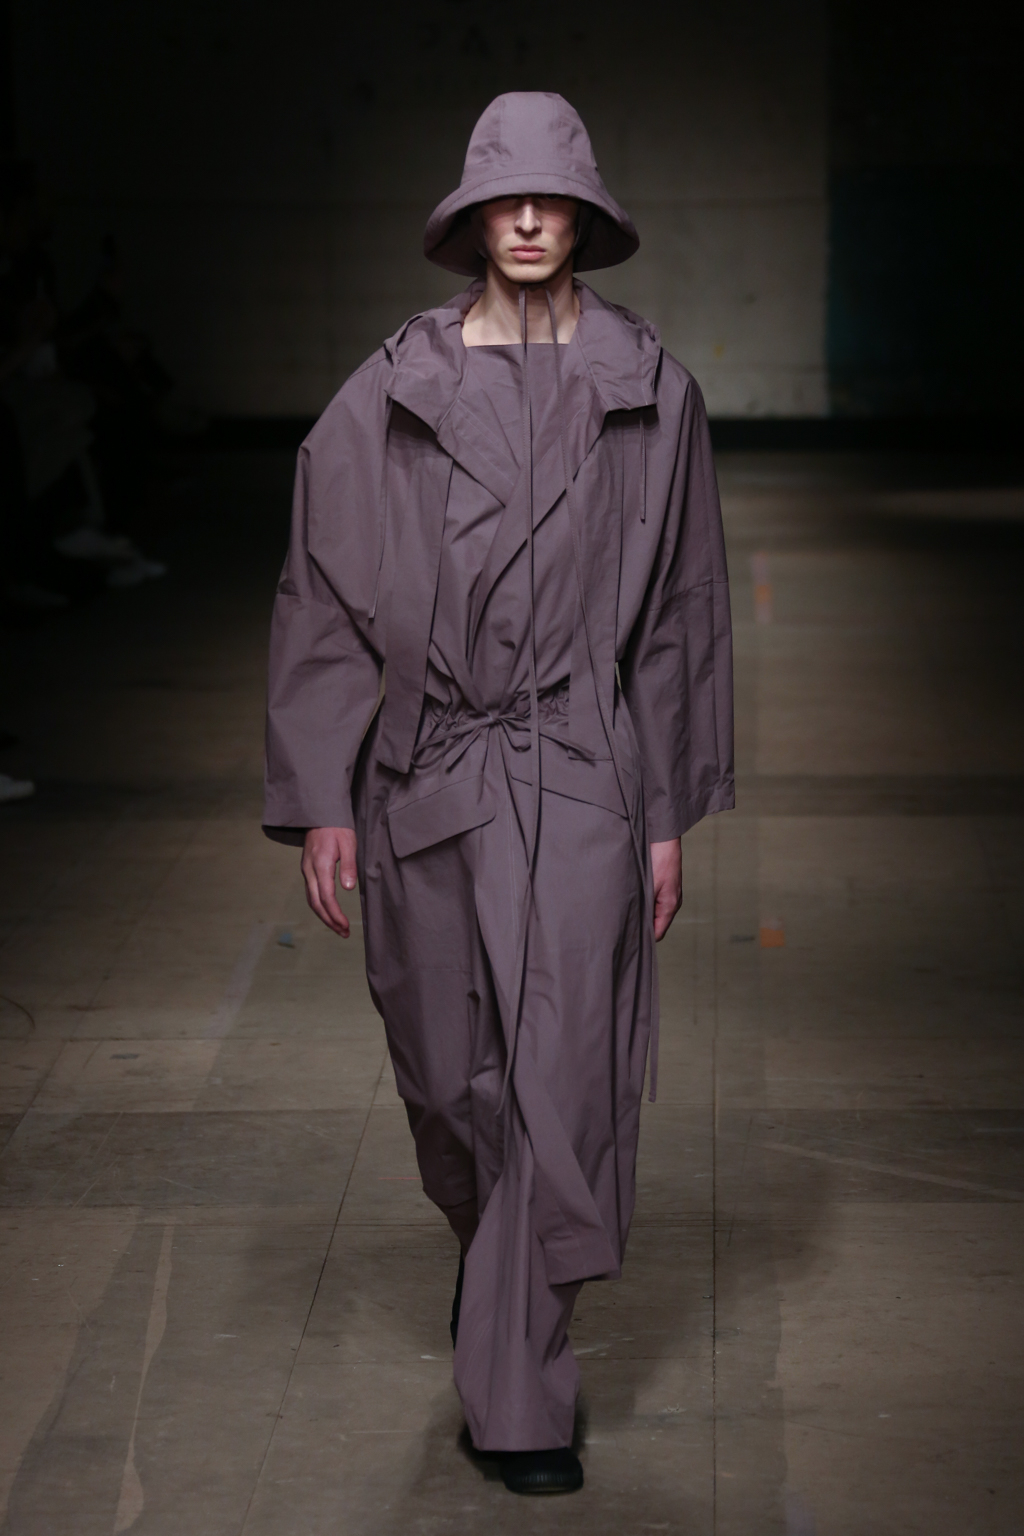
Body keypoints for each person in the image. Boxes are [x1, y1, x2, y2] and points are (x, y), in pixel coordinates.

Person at [264, 93, 734, 1496]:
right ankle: (497, 1264)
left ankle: (519, 1393)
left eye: (551, 196)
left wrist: (663, 813)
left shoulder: (650, 390)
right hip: (426, 768)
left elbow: (680, 616)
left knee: (563, 1083)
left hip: (581, 770)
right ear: (472, 217)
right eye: (505, 197)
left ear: (584, 213)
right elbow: (324, 595)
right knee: (448, 1079)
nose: (528, 218)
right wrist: (322, 792)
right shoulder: (393, 389)